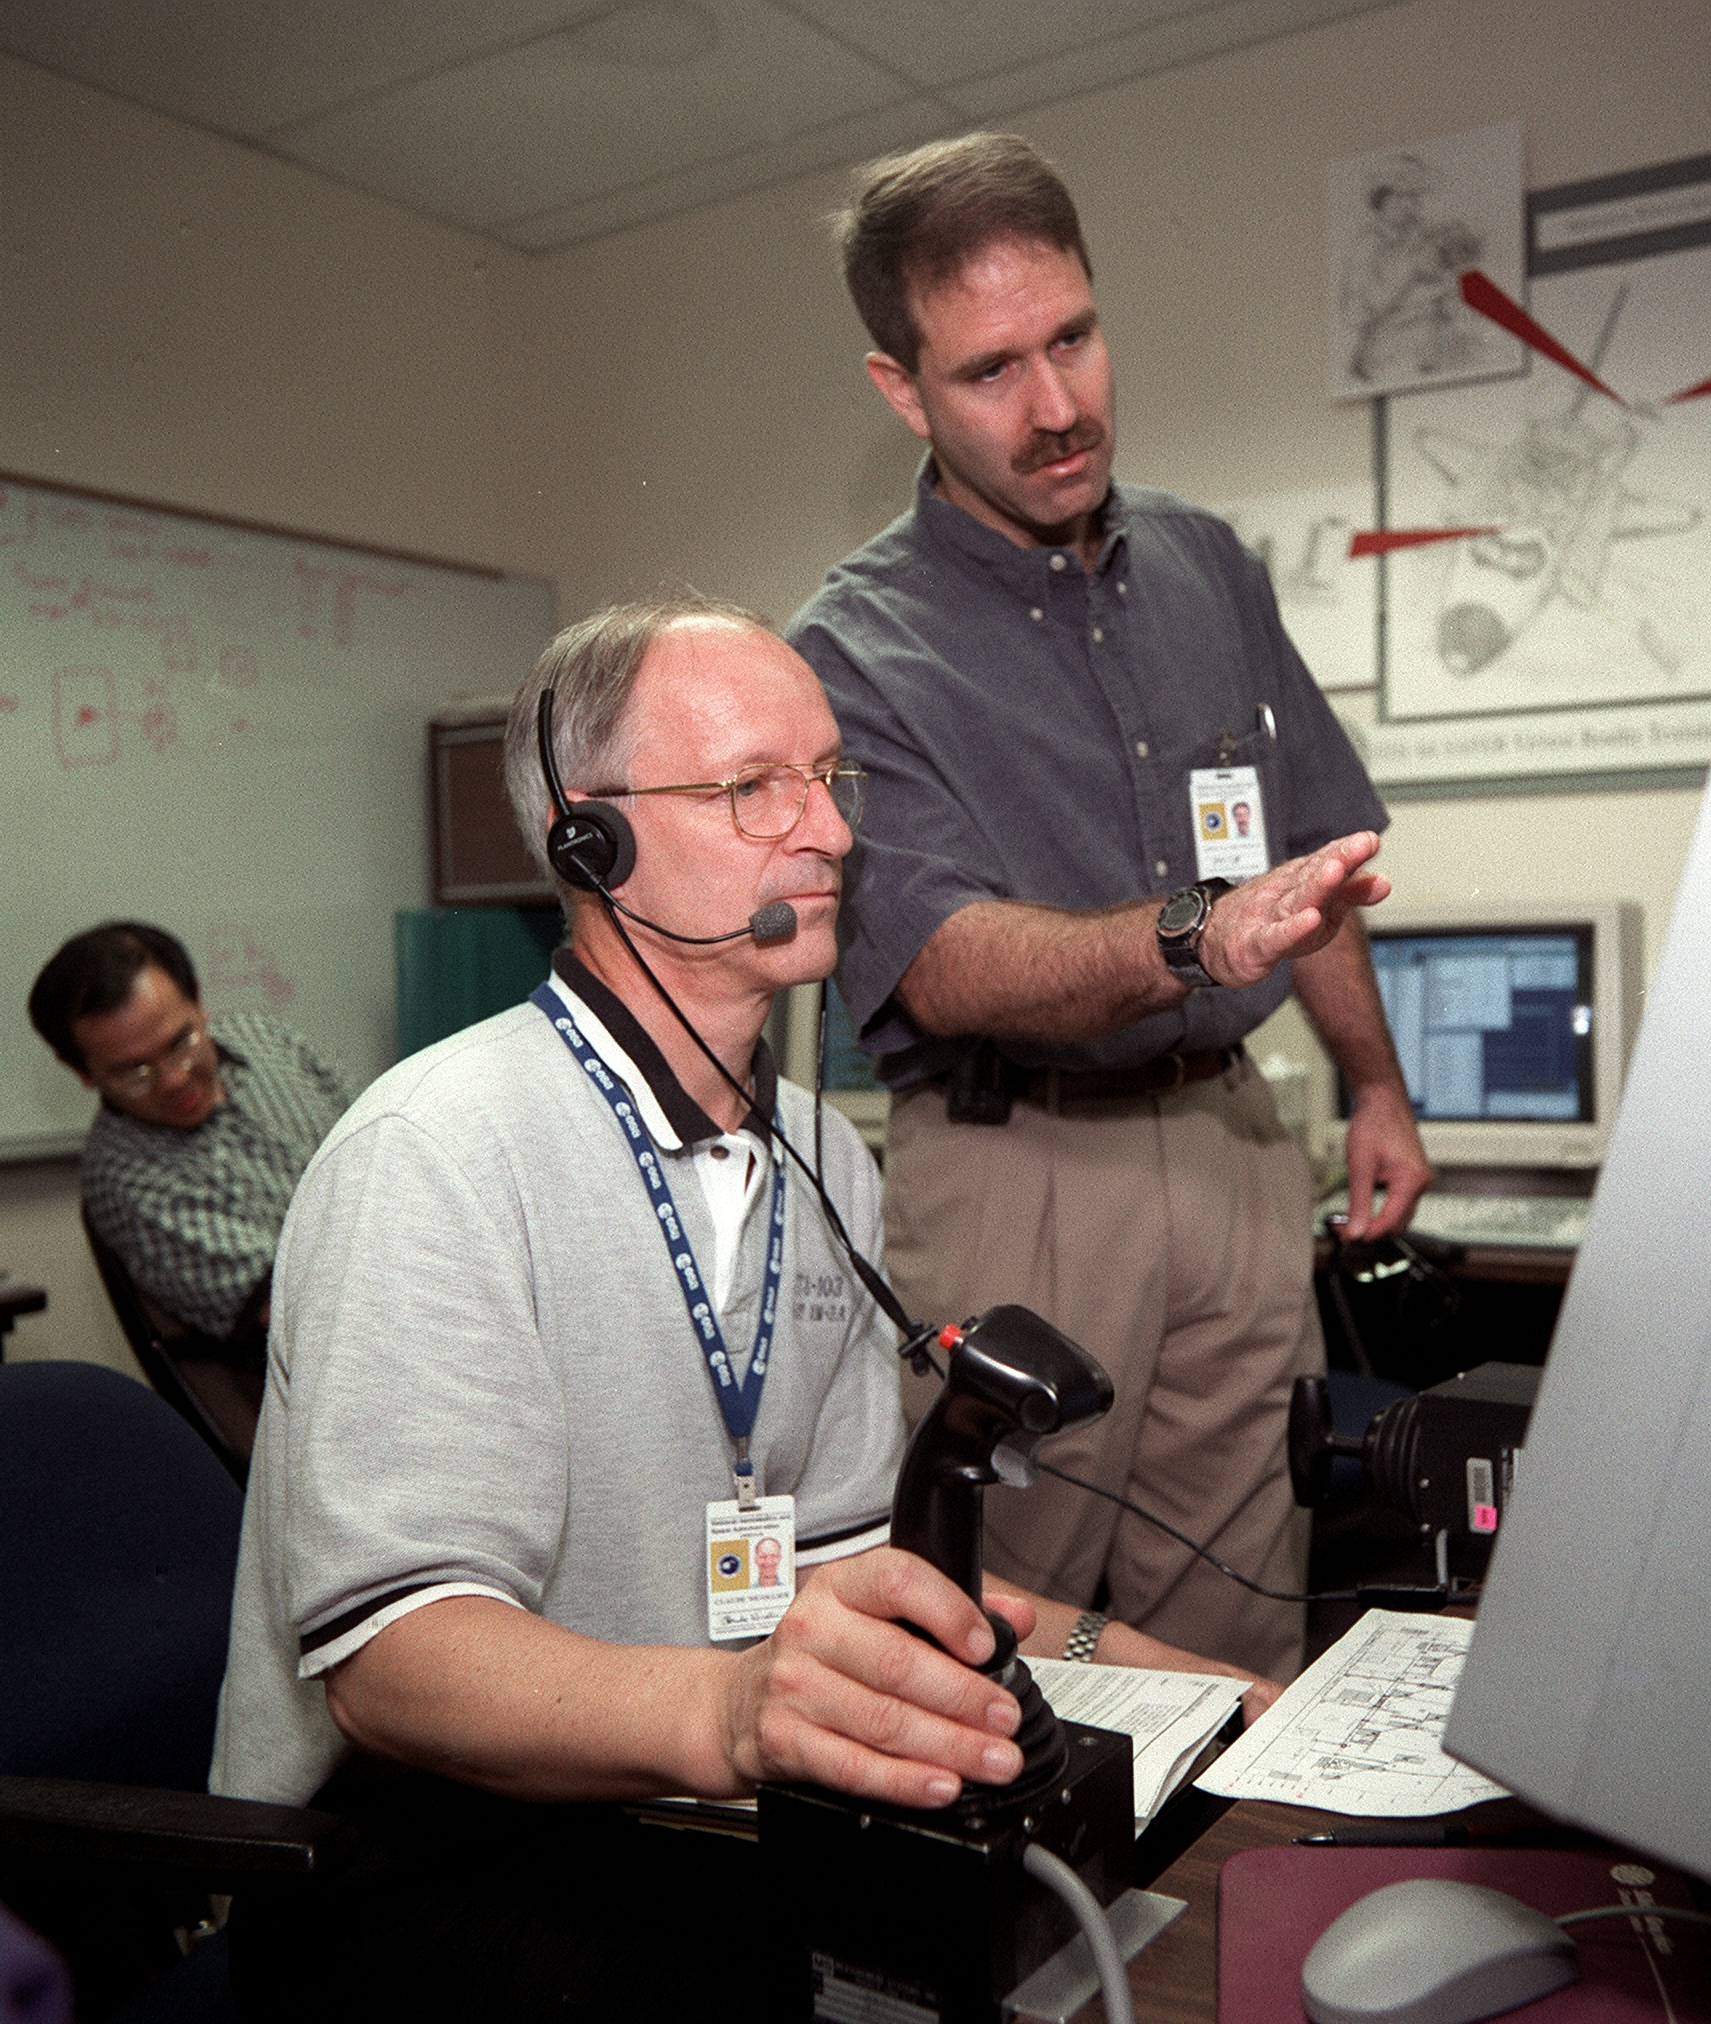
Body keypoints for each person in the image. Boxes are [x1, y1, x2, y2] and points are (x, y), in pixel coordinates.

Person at [212, 597, 1272, 2021]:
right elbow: (396, 1667)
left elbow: (837, 1561)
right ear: (591, 842)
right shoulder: (436, 1151)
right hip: (416, 1851)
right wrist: (733, 1711)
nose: (829, 831)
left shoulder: (821, 1152)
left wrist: (1179, 1677)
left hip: (683, 1804)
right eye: (753, 788)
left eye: (830, 778)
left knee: (1089, 1917)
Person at [789, 133, 1432, 1686]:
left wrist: (1375, 1084)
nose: (1056, 405)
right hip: (1024, 1169)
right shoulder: (852, 649)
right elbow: (940, 962)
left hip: (1232, 1143)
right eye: (991, 370)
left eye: (1072, 338)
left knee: (1237, 1609)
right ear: (902, 390)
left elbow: (1312, 854)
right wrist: (1188, 937)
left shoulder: (1208, 564)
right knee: (1000, 1627)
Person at [28, 921, 350, 1342]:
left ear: (198, 1000)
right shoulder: (124, 1180)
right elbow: (295, 1308)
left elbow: (385, 1153)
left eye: (181, 1043)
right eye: (134, 1072)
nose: (173, 1080)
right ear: (81, 1071)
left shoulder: (266, 1040)